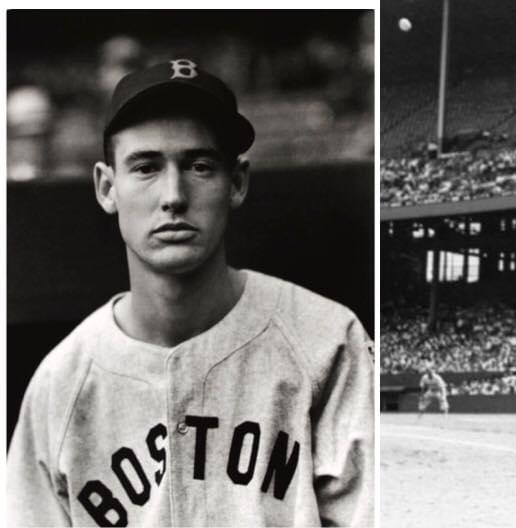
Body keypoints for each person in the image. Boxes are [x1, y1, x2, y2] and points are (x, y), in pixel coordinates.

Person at [7, 60, 375, 526]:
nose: (174, 195)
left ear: (236, 182)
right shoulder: (61, 384)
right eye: (145, 167)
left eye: (199, 166)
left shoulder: (327, 342)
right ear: (106, 187)